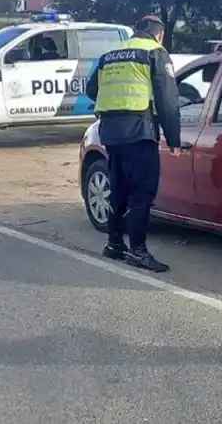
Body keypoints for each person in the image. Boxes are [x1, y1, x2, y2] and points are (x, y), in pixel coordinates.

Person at [85, 14, 182, 273]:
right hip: (139, 130)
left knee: (119, 189)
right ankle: (138, 250)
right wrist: (174, 138)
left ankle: (115, 243)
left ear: (136, 31)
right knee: (142, 193)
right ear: (158, 34)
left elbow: (91, 89)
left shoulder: (111, 54)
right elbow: (167, 98)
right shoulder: (154, 52)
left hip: (110, 132)